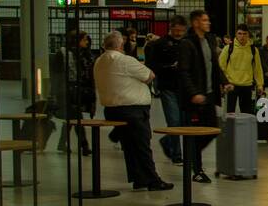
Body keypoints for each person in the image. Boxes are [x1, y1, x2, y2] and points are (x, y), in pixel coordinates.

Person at [93, 32, 172, 191]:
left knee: (129, 147)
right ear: (121, 46)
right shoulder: (125, 60)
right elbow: (150, 75)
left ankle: (139, 178)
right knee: (142, 145)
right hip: (133, 110)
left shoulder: (99, 61)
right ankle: (153, 180)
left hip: (111, 110)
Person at [176, 9, 230, 184]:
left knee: (212, 129)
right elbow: (183, 72)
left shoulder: (208, 40)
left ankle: (192, 155)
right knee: (196, 132)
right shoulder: (187, 43)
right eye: (204, 20)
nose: (208, 23)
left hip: (208, 95)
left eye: (208, 20)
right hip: (195, 98)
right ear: (196, 23)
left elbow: (214, 65)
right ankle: (196, 169)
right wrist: (193, 93)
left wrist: (224, 82)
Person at [145, 15, 188, 165]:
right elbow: (151, 65)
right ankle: (177, 155)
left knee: (183, 122)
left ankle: (167, 140)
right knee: (174, 121)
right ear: (171, 28)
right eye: (176, 30)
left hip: (183, 88)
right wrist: (169, 67)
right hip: (167, 87)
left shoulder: (186, 43)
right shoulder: (159, 44)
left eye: (182, 31)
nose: (179, 34)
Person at [59, 30, 95, 156]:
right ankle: (84, 145)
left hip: (77, 90)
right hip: (68, 90)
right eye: (84, 40)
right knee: (77, 117)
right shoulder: (65, 54)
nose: (87, 42)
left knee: (72, 118)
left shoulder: (84, 54)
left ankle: (62, 143)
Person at [220, 25, 264, 114]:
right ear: (236, 34)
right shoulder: (228, 48)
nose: (242, 36)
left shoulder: (253, 50)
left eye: (244, 34)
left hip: (247, 85)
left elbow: (257, 69)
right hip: (231, 85)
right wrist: (224, 82)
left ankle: (246, 128)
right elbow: (221, 66)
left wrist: (260, 84)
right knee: (230, 114)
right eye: (239, 33)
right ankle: (230, 129)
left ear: (248, 35)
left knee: (246, 114)